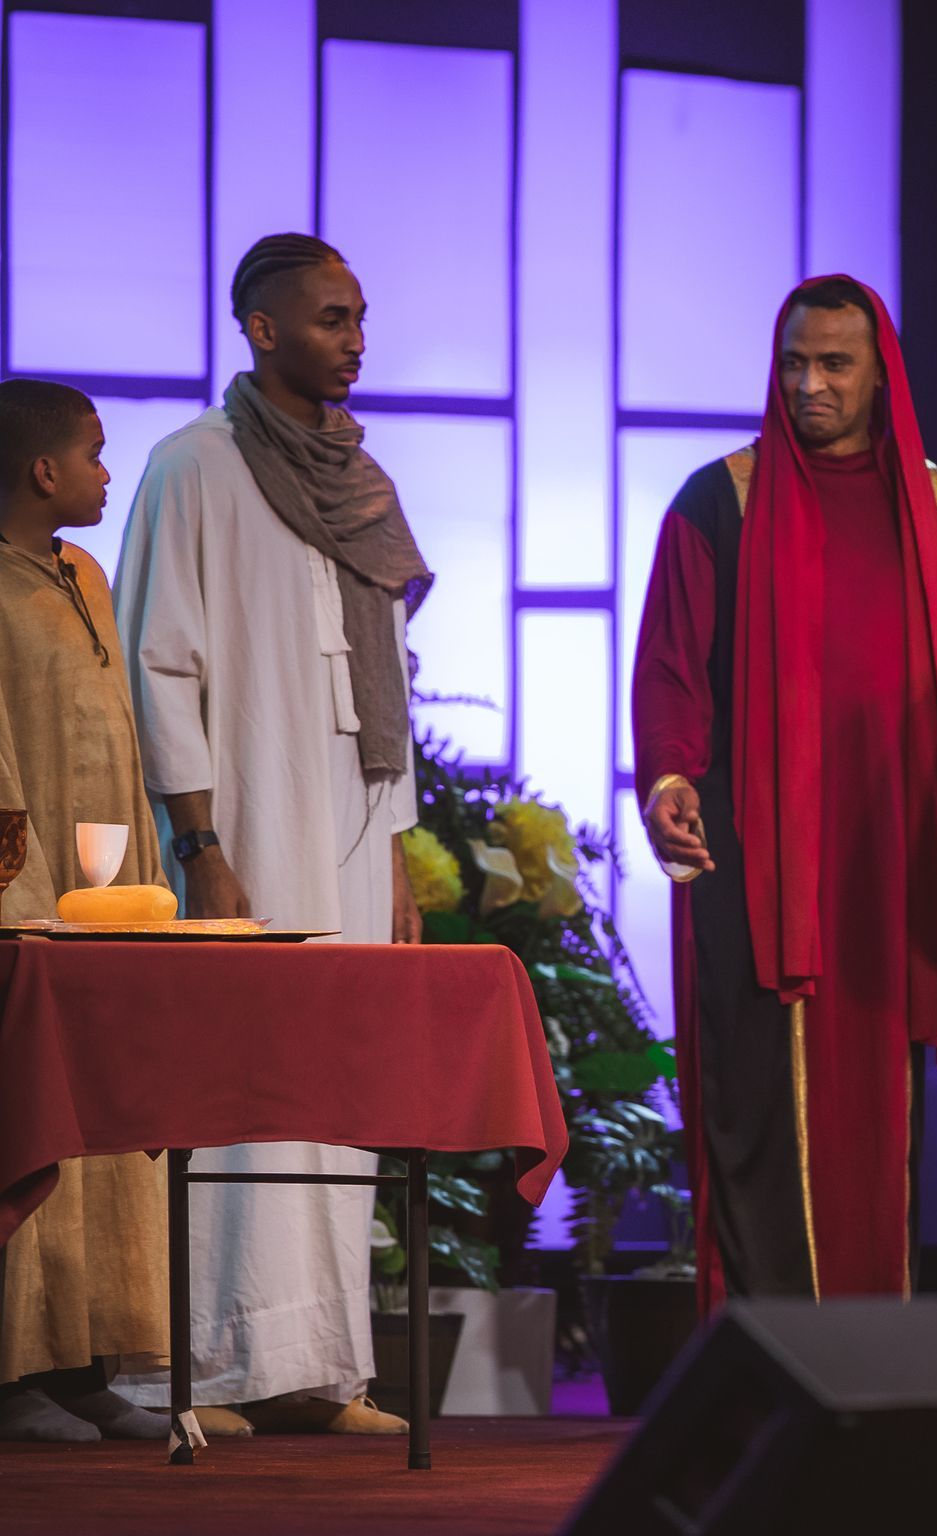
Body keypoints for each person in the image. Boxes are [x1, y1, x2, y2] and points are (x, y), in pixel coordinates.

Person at [633, 275, 937, 1310]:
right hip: (755, 861)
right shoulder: (721, 499)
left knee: (882, 1117)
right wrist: (670, 776)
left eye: (834, 364)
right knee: (753, 1112)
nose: (810, 384)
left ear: (878, 371)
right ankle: (757, 1362)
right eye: (794, 363)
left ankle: (871, 1354)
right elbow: (672, 665)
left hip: (888, 861)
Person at [114, 233, 430, 1436]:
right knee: (234, 1081)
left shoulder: (360, 476)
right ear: (261, 329)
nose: (355, 341)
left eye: (359, 319)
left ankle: (322, 1366)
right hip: (241, 816)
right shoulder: (190, 466)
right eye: (332, 320)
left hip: (351, 826)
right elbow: (158, 661)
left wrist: (395, 851)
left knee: (334, 1087)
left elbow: (384, 677)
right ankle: (209, 1365)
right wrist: (201, 846)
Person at [0, 380, 170, 1443]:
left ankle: (85, 1362)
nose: (110, 473)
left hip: (108, 899)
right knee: (31, 1124)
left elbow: (119, 739)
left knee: (109, 1121)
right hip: (27, 905)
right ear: (41, 470)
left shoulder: (87, 577)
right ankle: (13, 1376)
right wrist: (19, 902)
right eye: (96, 455)